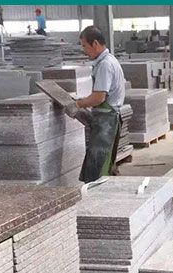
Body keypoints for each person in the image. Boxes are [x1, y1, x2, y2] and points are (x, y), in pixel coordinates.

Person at [75, 26, 126, 182]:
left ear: (95, 43)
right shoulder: (109, 60)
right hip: (108, 118)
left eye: (85, 46)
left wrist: (78, 104)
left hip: (106, 121)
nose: (84, 50)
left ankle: (98, 192)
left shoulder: (105, 65)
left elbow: (99, 98)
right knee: (105, 161)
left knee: (98, 164)